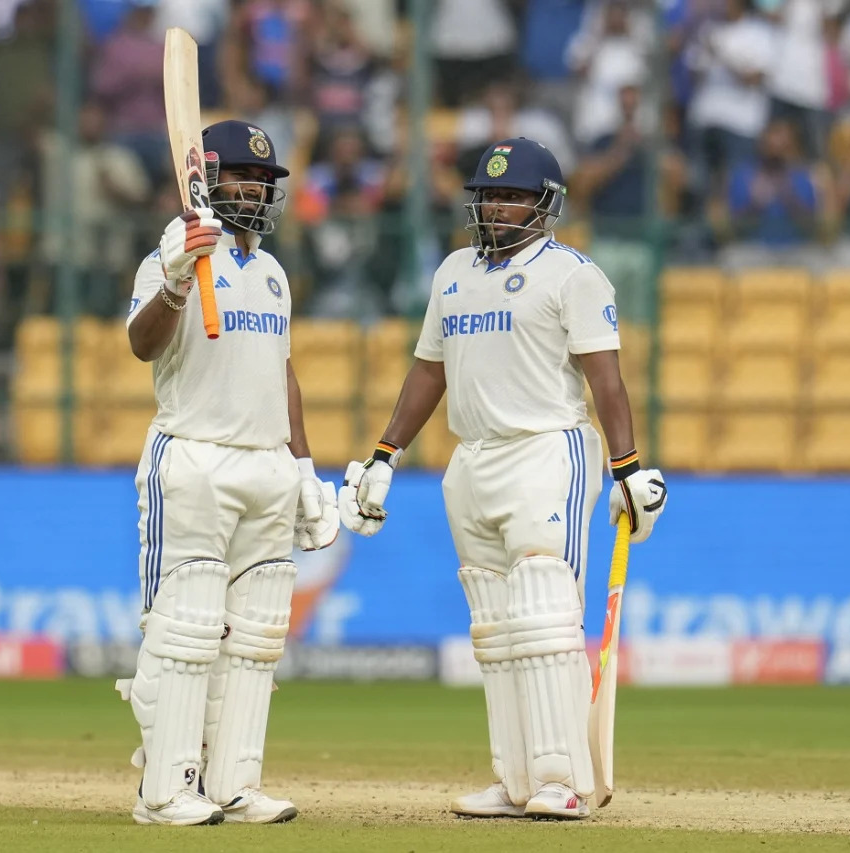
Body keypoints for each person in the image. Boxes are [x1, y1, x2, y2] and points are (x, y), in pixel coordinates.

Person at [337, 137, 668, 820]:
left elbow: (605, 378)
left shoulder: (574, 274)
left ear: (545, 205)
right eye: (487, 195)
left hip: (547, 448)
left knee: (544, 614)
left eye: (513, 195)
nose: (496, 206)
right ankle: (515, 778)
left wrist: (629, 468)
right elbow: (430, 369)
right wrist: (384, 452)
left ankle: (562, 777)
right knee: (493, 625)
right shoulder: (454, 271)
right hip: (473, 458)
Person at [117, 119, 339, 827]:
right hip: (194, 455)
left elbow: (282, 371)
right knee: (185, 632)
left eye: (264, 181)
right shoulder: (171, 253)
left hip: (266, 464)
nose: (254, 189)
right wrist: (180, 280)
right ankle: (165, 790)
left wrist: (303, 465)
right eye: (241, 177)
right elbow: (140, 344)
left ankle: (234, 782)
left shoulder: (271, 272)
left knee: (256, 637)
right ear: (207, 181)